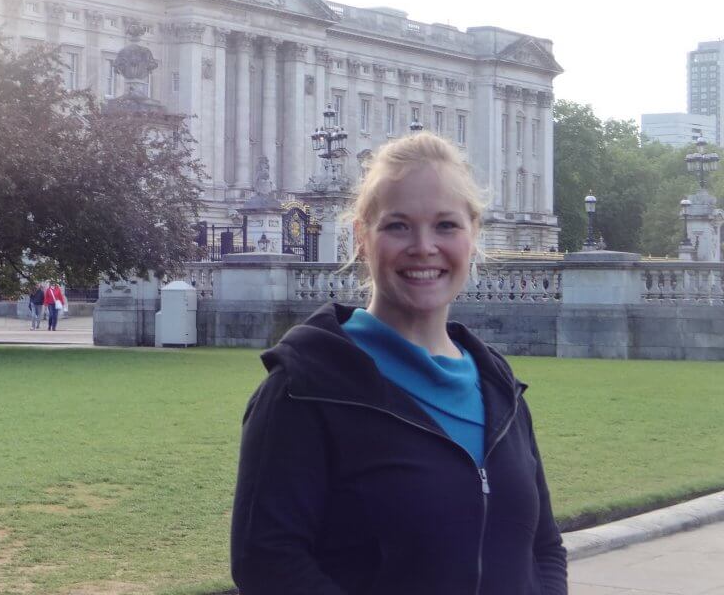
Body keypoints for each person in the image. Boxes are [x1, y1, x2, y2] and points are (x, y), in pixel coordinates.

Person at [231, 132, 566, 595]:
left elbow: (544, 547)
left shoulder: (498, 387)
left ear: (473, 236)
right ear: (362, 238)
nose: (424, 246)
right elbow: (268, 563)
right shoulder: (303, 388)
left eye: (446, 225)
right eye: (398, 226)